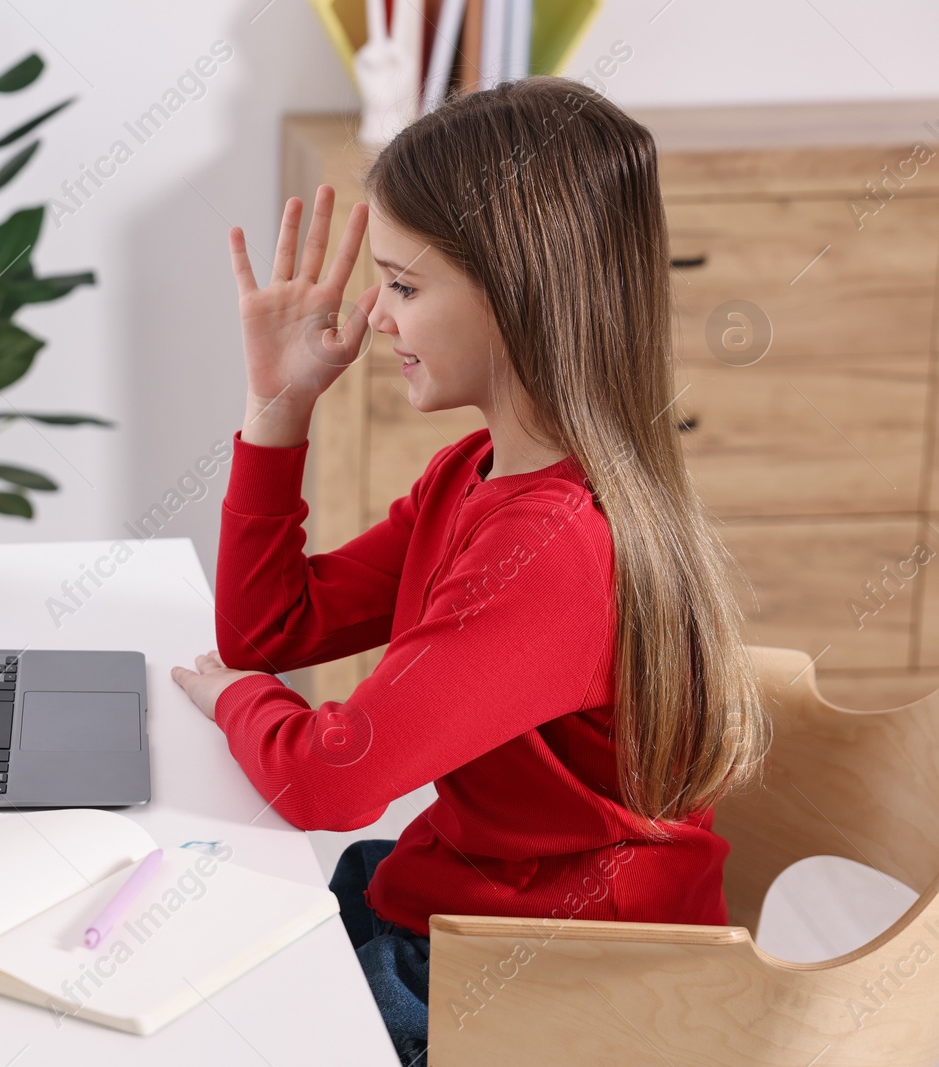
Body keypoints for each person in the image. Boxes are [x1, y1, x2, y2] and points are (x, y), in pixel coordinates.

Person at [170, 78, 771, 1065]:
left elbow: (327, 778)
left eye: (404, 284)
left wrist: (237, 701)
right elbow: (274, 629)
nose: (375, 315)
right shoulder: (477, 472)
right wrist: (276, 412)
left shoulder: (552, 549)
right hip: (470, 903)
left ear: (517, 292)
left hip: (568, 982)